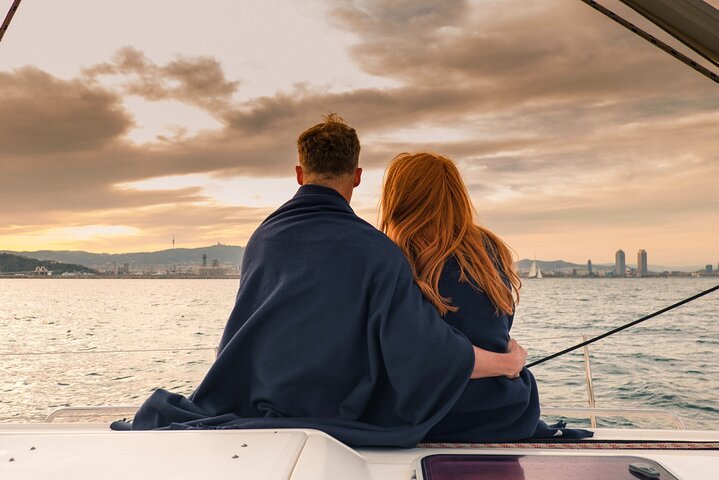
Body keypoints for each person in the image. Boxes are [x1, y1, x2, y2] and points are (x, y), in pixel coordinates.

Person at [112, 115, 528, 447]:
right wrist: (509, 363)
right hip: (505, 406)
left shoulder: (263, 240)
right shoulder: (388, 251)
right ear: (357, 176)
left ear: (299, 172)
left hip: (286, 396)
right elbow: (421, 351)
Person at [380, 152, 593, 442]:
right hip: (506, 411)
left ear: (398, 198)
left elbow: (422, 353)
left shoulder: (394, 255)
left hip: (435, 416)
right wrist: (509, 363)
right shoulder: (489, 249)